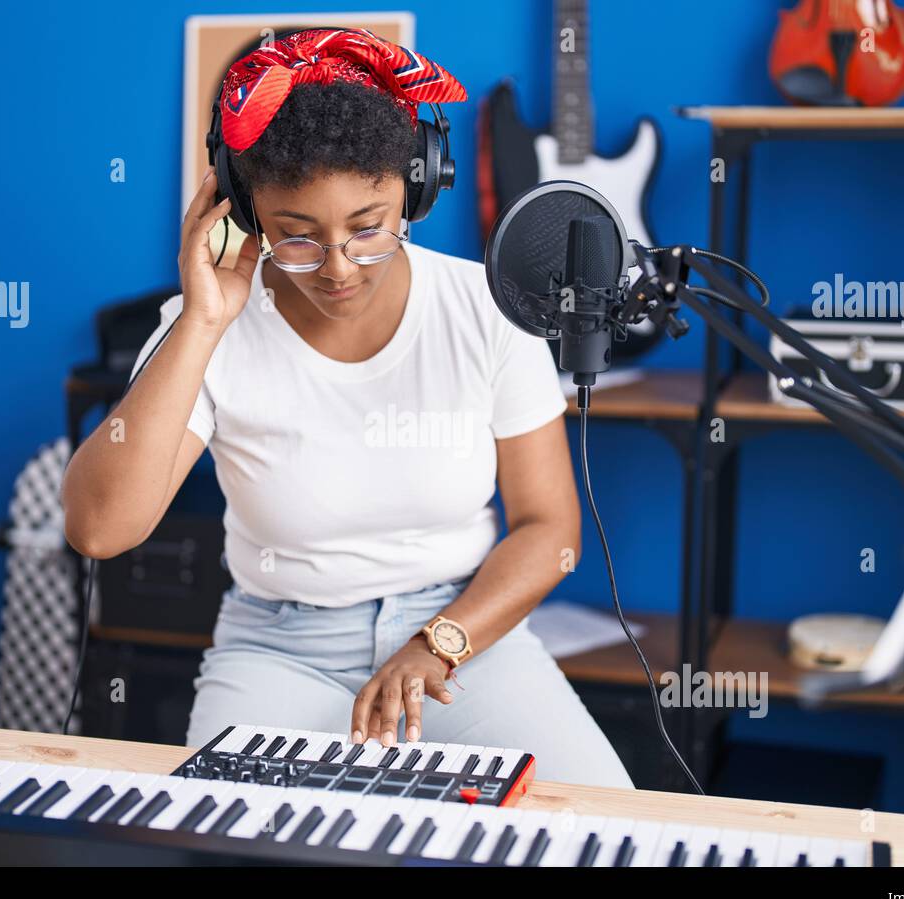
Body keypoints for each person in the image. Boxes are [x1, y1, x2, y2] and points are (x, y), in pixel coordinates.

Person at [62, 28, 633, 789]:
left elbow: (551, 528)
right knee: (224, 840)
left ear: (419, 189)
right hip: (277, 645)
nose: (337, 269)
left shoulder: (485, 309)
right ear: (245, 211)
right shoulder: (204, 327)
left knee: (602, 817)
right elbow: (99, 529)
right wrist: (201, 321)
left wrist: (438, 645)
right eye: (297, 237)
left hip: (464, 635)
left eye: (369, 228)